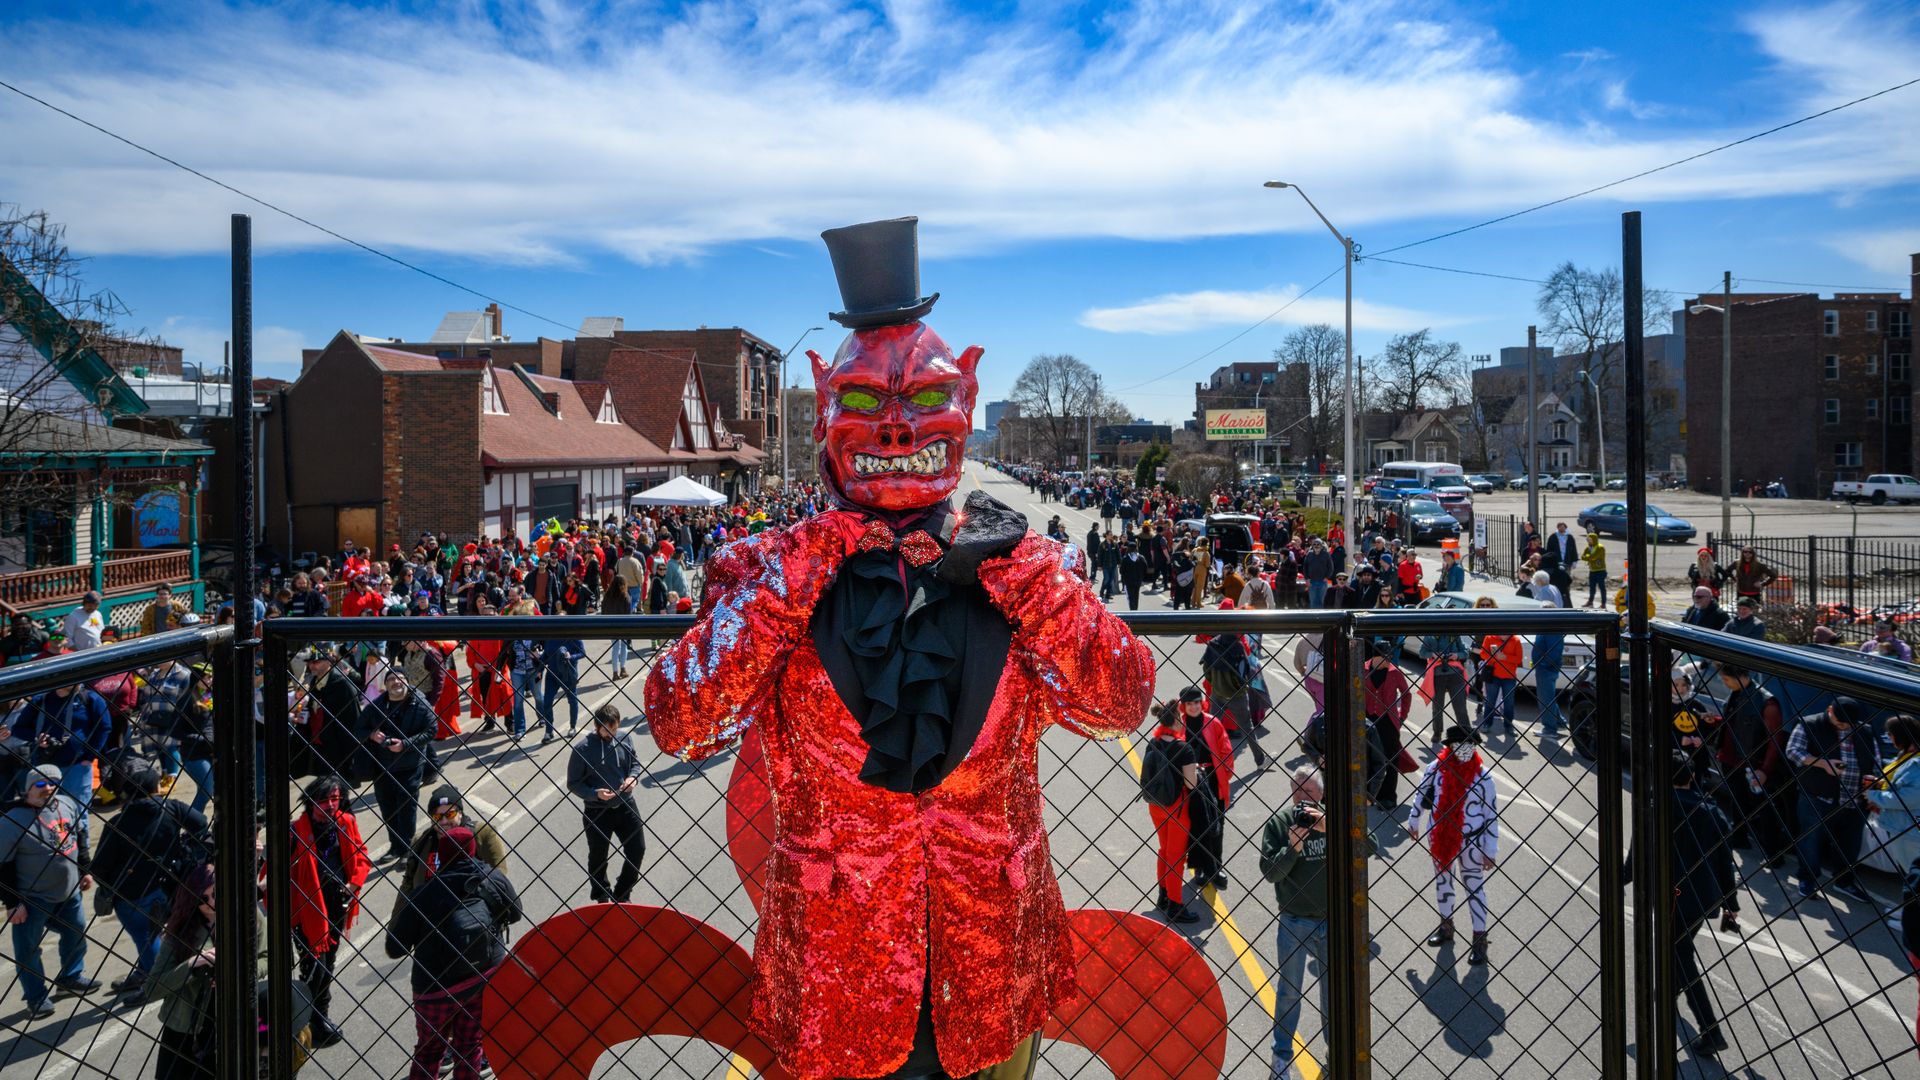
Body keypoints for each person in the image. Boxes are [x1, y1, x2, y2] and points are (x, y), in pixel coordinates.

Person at [1259, 767, 1378, 1080]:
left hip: (1334, 921)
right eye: (1297, 792)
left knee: (1334, 994)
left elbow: (1371, 846)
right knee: (1289, 992)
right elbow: (1270, 873)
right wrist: (1293, 848)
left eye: (1309, 793)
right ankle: (1281, 1060)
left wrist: (1332, 828)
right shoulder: (1280, 823)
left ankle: (1335, 1055)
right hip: (1294, 920)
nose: (1303, 800)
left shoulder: (1334, 816)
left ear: (1322, 794)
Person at [385, 825, 523, 1080]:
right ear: (473, 850)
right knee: (470, 1046)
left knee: (429, 1052)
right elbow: (515, 914)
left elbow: (395, 948)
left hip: (434, 988)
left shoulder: (424, 893)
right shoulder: (492, 878)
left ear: (440, 855)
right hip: (481, 979)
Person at [1624, 751, 1736, 1057]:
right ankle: (1668, 993)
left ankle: (1710, 1029)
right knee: (1680, 947)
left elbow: (1637, 854)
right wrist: (1731, 902)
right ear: (1691, 776)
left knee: (1681, 954)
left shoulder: (1655, 807)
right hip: (1703, 898)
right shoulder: (1713, 811)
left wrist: (1621, 879)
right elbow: (1725, 861)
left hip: (1671, 896)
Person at [89, 761, 209, 997]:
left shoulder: (117, 824)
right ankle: (148, 972)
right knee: (169, 932)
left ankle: (156, 985)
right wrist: (183, 847)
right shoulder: (172, 808)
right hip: (170, 885)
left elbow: (100, 868)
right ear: (156, 787)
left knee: (146, 939)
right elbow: (201, 823)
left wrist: (114, 883)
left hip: (133, 894)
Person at [0, 765, 97, 1019]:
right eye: (41, 784)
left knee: (76, 933)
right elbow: (2, 866)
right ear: (28, 789)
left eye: (53, 782)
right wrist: (12, 902)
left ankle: (70, 977)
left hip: (68, 892)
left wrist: (84, 870)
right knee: (28, 950)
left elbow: (80, 836)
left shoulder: (67, 804)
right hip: (33, 898)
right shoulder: (12, 820)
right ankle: (36, 997)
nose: (49, 788)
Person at [290, 775, 371, 1048]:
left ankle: (319, 1017)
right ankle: (306, 1021)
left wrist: (353, 883)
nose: (330, 805)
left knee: (328, 966)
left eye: (335, 799)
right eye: (323, 800)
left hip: (336, 907)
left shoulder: (346, 822)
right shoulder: (295, 831)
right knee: (315, 968)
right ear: (311, 801)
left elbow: (361, 856)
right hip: (307, 913)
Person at [1409, 726, 1499, 965]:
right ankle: (1446, 927)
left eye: (1471, 746)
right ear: (1450, 747)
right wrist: (1413, 820)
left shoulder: (1484, 778)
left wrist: (1490, 850)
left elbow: (1491, 815)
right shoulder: (1435, 768)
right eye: (1460, 745)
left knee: (1474, 888)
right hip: (1441, 836)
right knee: (1443, 882)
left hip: (1473, 842)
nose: (1466, 750)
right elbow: (1420, 794)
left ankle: (1479, 940)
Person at [1787, 696, 1881, 903]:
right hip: (1818, 795)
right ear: (1830, 710)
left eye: (1848, 724)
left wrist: (1873, 788)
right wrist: (1823, 763)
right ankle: (1807, 879)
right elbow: (1793, 752)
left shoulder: (1864, 730)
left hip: (1855, 799)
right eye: (1840, 722)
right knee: (1811, 839)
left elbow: (1876, 763)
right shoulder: (1810, 724)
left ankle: (1844, 881)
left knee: (1850, 844)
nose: (1844, 727)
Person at [1714, 663, 1794, 868]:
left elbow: (1775, 740)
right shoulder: (1736, 694)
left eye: (1726, 679)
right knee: (1737, 801)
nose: (1724, 683)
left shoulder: (1767, 703)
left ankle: (1773, 855)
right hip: (1731, 760)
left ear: (1739, 676)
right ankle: (1740, 837)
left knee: (1766, 810)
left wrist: (1765, 770)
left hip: (1753, 765)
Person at [566, 704, 646, 904]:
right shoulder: (582, 749)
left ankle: (622, 893)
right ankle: (601, 894)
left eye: (615, 728)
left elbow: (635, 764)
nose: (611, 734)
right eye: (607, 730)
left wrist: (633, 778)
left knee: (637, 849)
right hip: (597, 812)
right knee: (598, 856)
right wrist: (595, 794)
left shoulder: (625, 738)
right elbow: (573, 783)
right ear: (597, 726)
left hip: (626, 806)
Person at [358, 669, 436, 861]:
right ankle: (395, 847)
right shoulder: (377, 705)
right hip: (382, 767)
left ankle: (408, 850)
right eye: (391, 679)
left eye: (400, 678)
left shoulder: (421, 704)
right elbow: (358, 728)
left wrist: (405, 744)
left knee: (407, 808)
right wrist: (372, 735)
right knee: (388, 809)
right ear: (385, 685)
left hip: (410, 766)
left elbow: (432, 730)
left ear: (407, 682)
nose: (396, 682)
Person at [15, 680, 112, 831]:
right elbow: (18, 729)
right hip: (45, 767)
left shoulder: (90, 698)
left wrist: (89, 757)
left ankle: (80, 845)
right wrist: (37, 737)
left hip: (77, 767)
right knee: (46, 813)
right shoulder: (40, 700)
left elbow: (104, 727)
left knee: (78, 815)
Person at [1141, 702, 1202, 924]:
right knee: (1176, 856)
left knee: (1164, 850)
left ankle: (1163, 896)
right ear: (1176, 719)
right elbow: (1191, 783)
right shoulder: (1184, 749)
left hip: (1156, 805)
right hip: (1177, 808)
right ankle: (1175, 905)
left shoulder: (1153, 743)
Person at [1177, 686, 1234, 892]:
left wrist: (1224, 775)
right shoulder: (1179, 726)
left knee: (1217, 825)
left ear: (1202, 703)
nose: (1194, 707)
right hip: (1191, 782)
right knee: (1196, 827)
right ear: (1183, 706)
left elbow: (1226, 750)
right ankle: (1200, 867)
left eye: (1196, 703)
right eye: (1189, 704)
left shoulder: (1213, 722)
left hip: (1212, 779)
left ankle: (1216, 866)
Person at [1868, 716, 1920, 929]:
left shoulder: (1917, 762)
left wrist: (1873, 795)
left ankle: (1912, 921)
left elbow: (1907, 797)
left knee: (1914, 874)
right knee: (1908, 873)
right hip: (1901, 826)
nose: (1888, 739)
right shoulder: (1908, 755)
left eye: (1890, 734)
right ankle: (1908, 909)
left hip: (1911, 829)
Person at [1475, 605, 1521, 736]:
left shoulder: (1516, 640)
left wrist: (1505, 657)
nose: (1504, 634)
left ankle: (1509, 726)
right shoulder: (1489, 638)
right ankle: (1486, 724)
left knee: (1509, 703)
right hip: (1493, 675)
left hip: (1509, 677)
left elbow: (1518, 659)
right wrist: (1493, 656)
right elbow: (1483, 654)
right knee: (1490, 701)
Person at [1529, 574, 1566, 739]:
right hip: (1546, 668)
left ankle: (1550, 729)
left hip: (1546, 669)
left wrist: (1543, 664)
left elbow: (1553, 650)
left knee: (1545, 699)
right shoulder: (1548, 627)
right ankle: (1559, 722)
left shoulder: (1551, 628)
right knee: (1548, 697)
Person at [1421, 627, 1471, 745]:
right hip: (1437, 676)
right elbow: (1422, 653)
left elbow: (1465, 653)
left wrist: (1456, 655)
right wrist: (1433, 654)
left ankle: (1466, 733)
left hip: (1455, 675)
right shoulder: (1429, 636)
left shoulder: (1454, 635)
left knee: (1460, 707)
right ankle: (1437, 732)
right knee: (1437, 707)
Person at [538, 631, 585, 742]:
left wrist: (571, 656)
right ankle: (549, 731)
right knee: (547, 702)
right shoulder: (550, 637)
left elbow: (582, 653)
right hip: (552, 675)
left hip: (568, 674)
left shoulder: (573, 635)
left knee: (572, 700)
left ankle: (572, 726)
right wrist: (539, 669)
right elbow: (546, 655)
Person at [1580, 532, 1607, 608]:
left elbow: (1593, 557)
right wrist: (1588, 556)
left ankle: (1603, 604)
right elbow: (1582, 557)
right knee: (1592, 587)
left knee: (1602, 588)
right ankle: (1590, 602)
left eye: (1590, 539)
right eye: (1587, 539)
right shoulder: (1588, 548)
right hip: (1592, 571)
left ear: (1594, 539)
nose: (1588, 541)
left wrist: (1587, 556)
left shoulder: (1600, 547)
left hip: (1600, 570)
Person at [1118, 542, 1147, 611]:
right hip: (1138, 580)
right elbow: (1145, 567)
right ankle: (1136, 610)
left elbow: (1121, 571)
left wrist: (1124, 578)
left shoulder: (1125, 558)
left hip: (1129, 581)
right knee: (1136, 595)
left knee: (1130, 597)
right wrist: (1141, 575)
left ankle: (1132, 610)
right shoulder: (1141, 557)